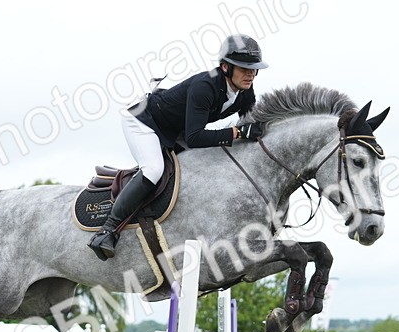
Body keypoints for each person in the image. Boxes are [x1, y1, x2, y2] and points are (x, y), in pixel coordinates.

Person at [88, 34, 270, 260]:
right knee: (153, 170)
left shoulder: (246, 93)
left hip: (175, 129)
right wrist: (237, 133)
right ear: (225, 67)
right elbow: (195, 138)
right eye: (244, 68)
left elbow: (248, 126)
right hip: (143, 120)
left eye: (254, 69)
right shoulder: (205, 86)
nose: (251, 73)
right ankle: (107, 230)